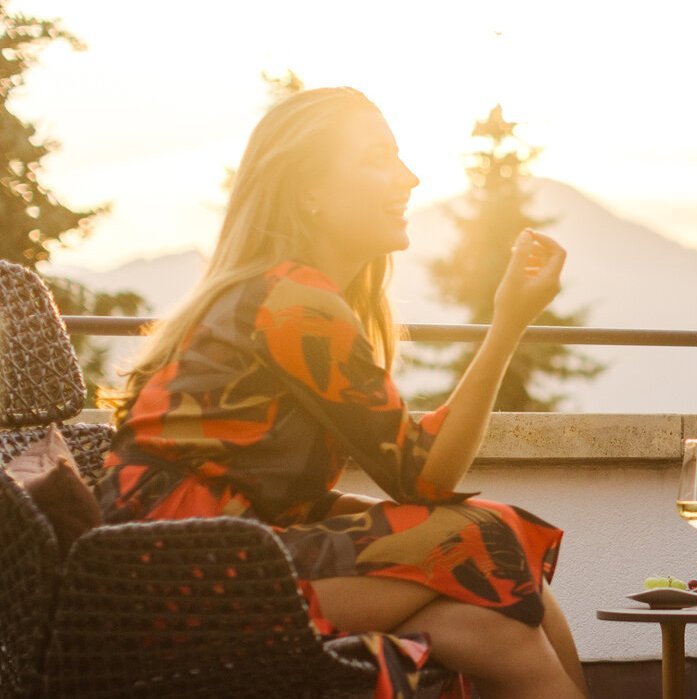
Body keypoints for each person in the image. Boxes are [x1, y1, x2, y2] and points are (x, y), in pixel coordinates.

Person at [97, 88, 586, 699]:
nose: (407, 178)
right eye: (377, 159)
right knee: (489, 537)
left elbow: (266, 475)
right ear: (310, 191)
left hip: (200, 556)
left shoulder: (283, 295)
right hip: (180, 571)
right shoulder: (290, 301)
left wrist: (379, 516)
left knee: (493, 613)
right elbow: (424, 476)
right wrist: (509, 324)